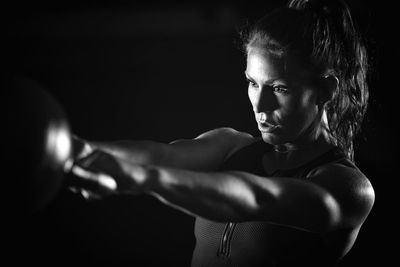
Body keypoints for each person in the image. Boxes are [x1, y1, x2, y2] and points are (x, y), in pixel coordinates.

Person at [68, 0, 375, 266]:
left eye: (280, 88)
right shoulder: (231, 147)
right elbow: (159, 155)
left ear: (326, 90)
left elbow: (257, 199)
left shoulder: (347, 189)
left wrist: (142, 178)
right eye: (253, 83)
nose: (261, 104)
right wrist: (74, 150)